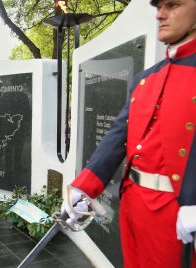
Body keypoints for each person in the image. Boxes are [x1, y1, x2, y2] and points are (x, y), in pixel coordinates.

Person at [63, 1, 196, 267]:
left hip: (177, 212)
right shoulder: (146, 78)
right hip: (133, 205)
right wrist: (83, 188)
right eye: (159, 6)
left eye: (173, 5)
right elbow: (118, 134)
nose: (160, 14)